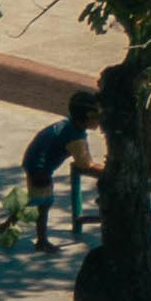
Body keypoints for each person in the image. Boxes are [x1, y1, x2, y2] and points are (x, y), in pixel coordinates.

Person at [21, 89, 101, 247]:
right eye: (98, 117)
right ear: (88, 117)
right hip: (40, 169)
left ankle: (8, 223)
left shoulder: (68, 125)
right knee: (43, 204)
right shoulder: (76, 137)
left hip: (32, 160)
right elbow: (86, 165)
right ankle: (41, 241)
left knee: (35, 199)